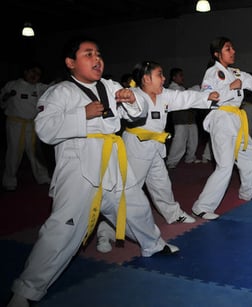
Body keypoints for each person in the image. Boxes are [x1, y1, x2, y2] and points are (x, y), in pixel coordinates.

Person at [6, 37, 179, 307]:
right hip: (78, 165)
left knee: (136, 206)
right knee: (64, 228)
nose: (96, 58)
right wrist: (82, 115)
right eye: (88, 54)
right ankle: (27, 290)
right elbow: (45, 129)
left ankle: (153, 244)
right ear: (70, 62)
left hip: (112, 160)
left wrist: (131, 99)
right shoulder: (59, 92)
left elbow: (138, 112)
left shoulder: (109, 87)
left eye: (98, 53)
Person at [96, 60, 220, 251]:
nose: (163, 79)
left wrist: (207, 98)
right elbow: (122, 112)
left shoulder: (164, 95)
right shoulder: (133, 96)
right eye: (159, 75)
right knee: (128, 192)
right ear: (146, 79)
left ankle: (173, 213)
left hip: (155, 147)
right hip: (135, 148)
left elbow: (185, 97)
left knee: (161, 183)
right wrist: (124, 98)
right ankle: (106, 230)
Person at [191, 36, 252, 220]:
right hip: (221, 118)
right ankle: (201, 206)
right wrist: (230, 87)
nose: (233, 51)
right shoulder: (212, 72)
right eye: (228, 49)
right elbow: (207, 97)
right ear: (217, 54)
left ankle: (247, 192)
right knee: (225, 166)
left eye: (233, 48)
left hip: (236, 119)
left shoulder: (236, 72)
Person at [0, 62, 51, 191]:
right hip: (14, 124)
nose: (35, 76)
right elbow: (2, 99)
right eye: (33, 72)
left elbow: (53, 88)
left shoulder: (39, 87)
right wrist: (5, 98)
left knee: (35, 152)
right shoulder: (12, 85)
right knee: (14, 152)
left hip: (32, 125)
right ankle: (9, 180)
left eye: (38, 74)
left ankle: (43, 177)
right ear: (25, 72)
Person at [165, 67, 202, 168]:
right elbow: (185, 95)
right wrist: (198, 87)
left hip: (189, 117)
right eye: (180, 75)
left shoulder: (181, 88)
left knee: (193, 138)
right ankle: (171, 161)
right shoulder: (172, 88)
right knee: (180, 140)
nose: (183, 77)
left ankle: (190, 157)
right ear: (174, 77)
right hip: (180, 118)